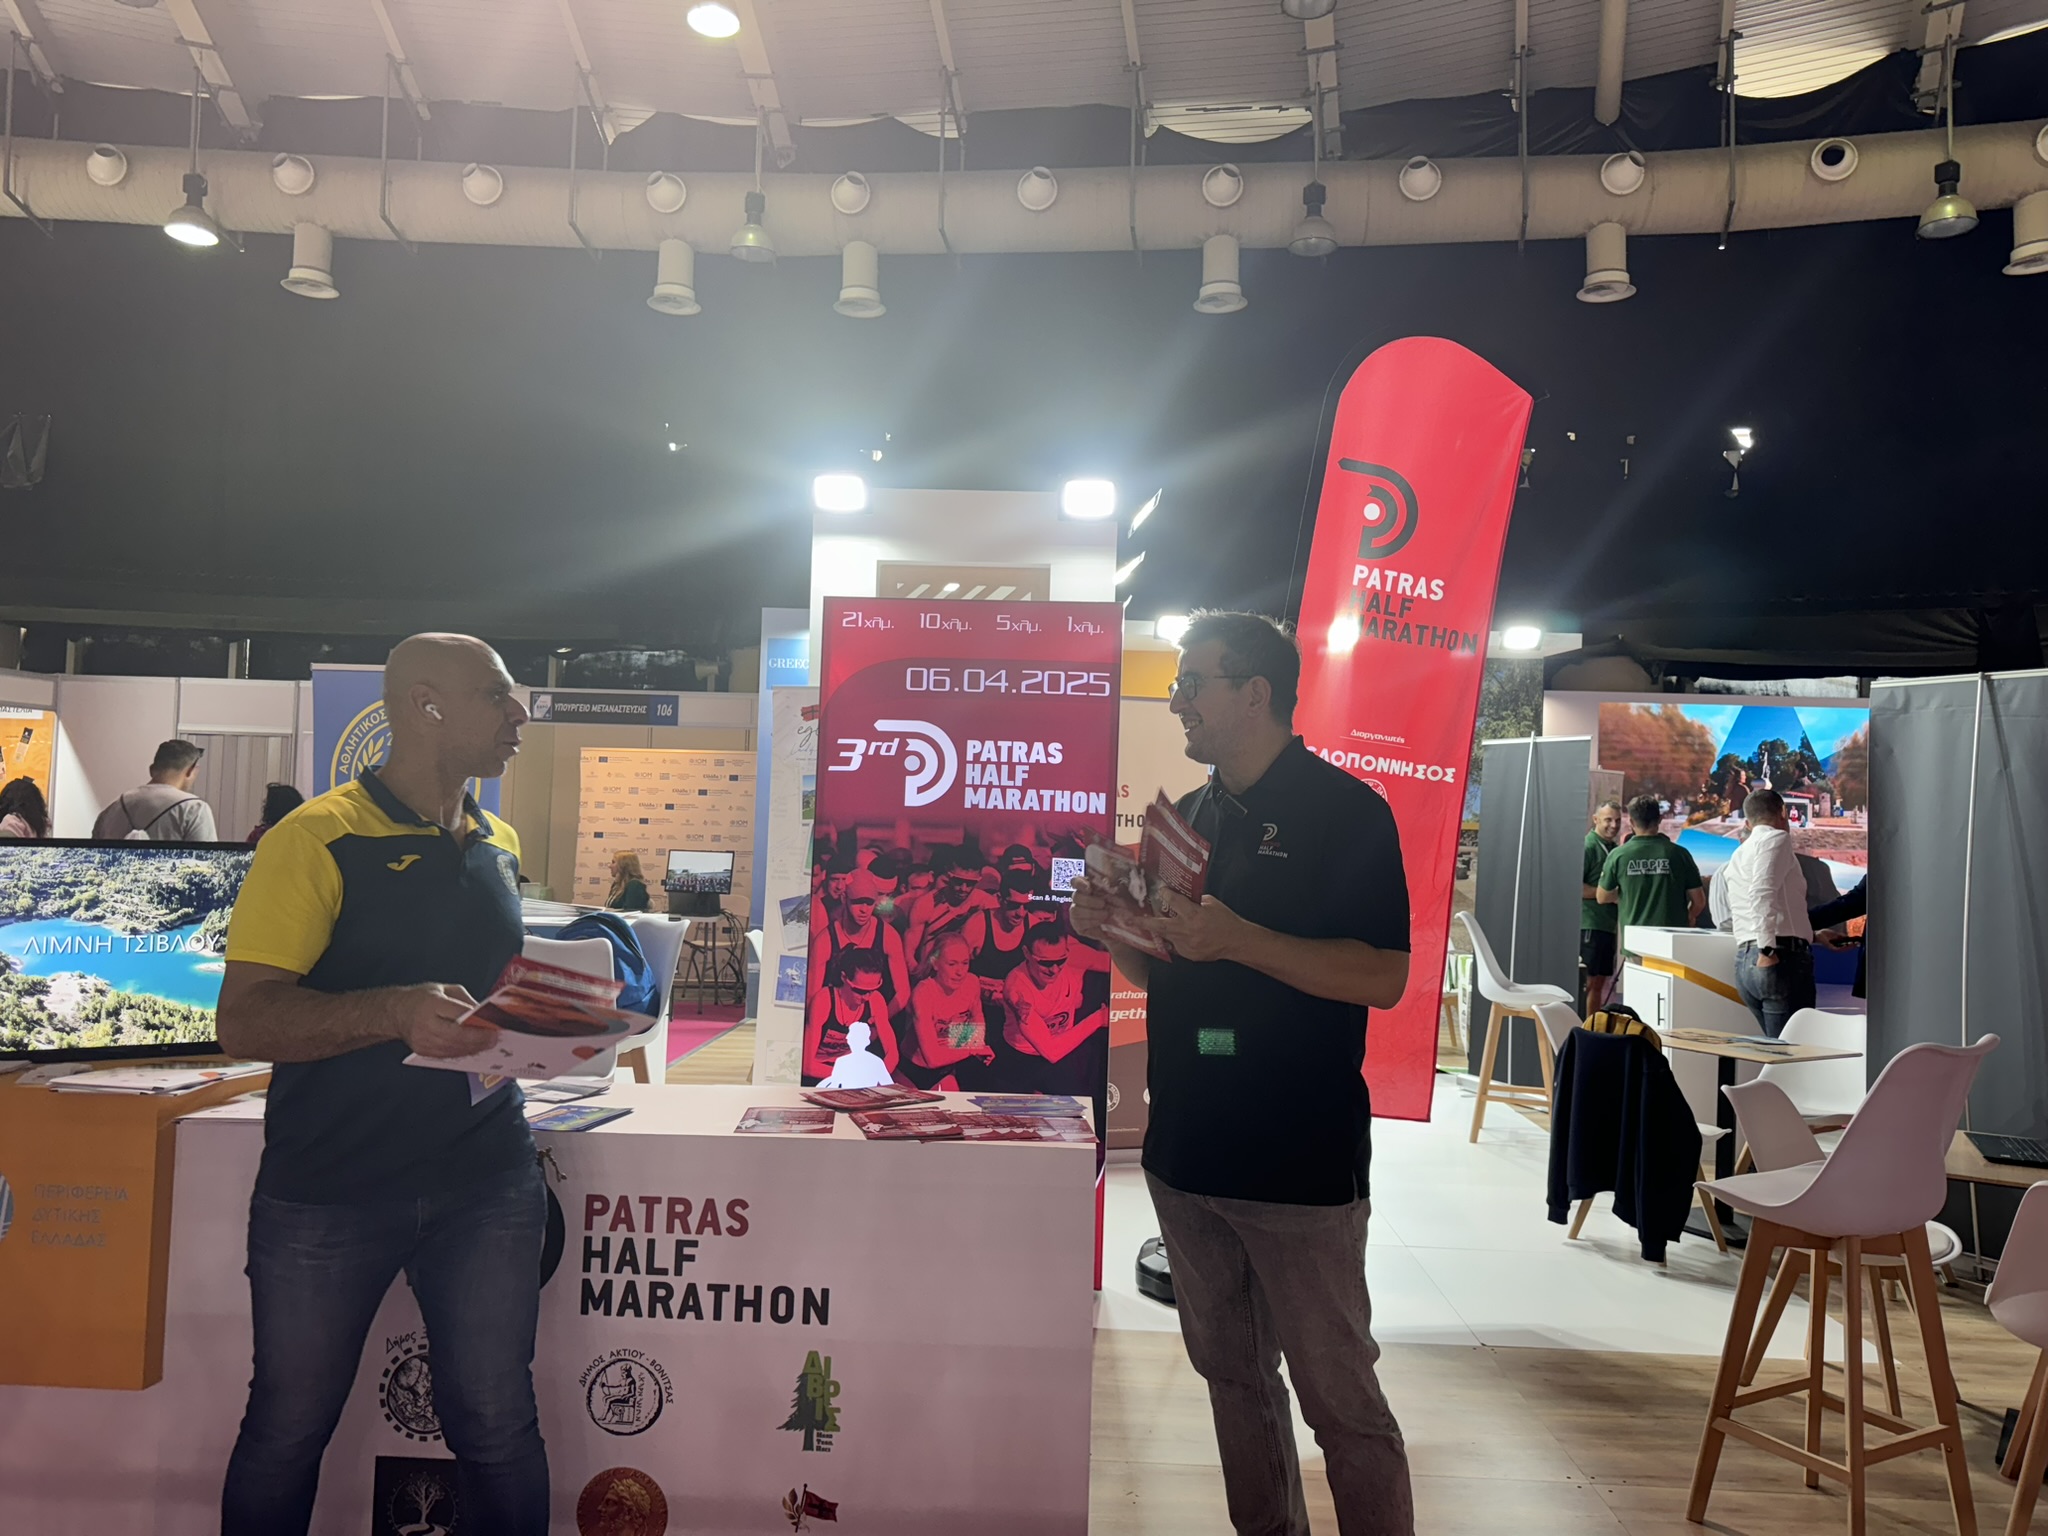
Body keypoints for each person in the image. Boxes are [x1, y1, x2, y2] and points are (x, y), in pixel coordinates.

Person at [1071, 610, 1415, 1536]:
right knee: (1233, 1382)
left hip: (1298, 1163)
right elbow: (1168, 968)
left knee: (1342, 1405)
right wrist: (1114, 931)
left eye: (1193, 683)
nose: (1177, 701)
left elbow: (1384, 977)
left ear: (1254, 692)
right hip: (1186, 1154)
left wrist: (1240, 939)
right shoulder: (1187, 816)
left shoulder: (1348, 812)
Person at [212, 633, 545, 1536]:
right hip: (329, 1187)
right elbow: (244, 1019)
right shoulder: (315, 839)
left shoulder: (498, 840)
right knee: (287, 1431)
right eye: (498, 695)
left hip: (488, 1181)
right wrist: (392, 1010)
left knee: (500, 1427)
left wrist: (559, 1025)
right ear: (426, 704)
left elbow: (491, 997)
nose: (521, 715)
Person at [1720, 787, 1816, 1037]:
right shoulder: (1776, 838)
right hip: (1777, 957)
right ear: (1783, 812)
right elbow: (1761, 892)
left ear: (1747, 822)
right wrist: (1766, 949)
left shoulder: (1738, 855)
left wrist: (1813, 932)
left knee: (1779, 1048)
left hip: (1746, 960)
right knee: (1792, 1050)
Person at [1000, 920, 1109, 1097]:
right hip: (1022, 1057)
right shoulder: (1017, 989)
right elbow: (1051, 1051)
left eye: (1061, 961)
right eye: (1045, 963)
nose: (1054, 970)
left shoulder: (1077, 956)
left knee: (1078, 1104)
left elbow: (1118, 965)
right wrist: (1099, 1019)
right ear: (1026, 953)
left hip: (1065, 1048)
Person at [1597, 796, 1705, 939]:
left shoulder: (1618, 855)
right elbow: (1699, 901)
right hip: (1671, 942)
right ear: (1660, 819)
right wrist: (1689, 916)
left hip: (1634, 941)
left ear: (1631, 822)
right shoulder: (1680, 854)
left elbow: (1602, 896)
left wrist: (1628, 891)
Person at [902, 932, 996, 1090]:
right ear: (935, 963)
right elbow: (932, 1059)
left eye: (965, 963)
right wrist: (973, 1049)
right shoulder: (924, 992)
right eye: (952, 964)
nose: (960, 972)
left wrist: (975, 1046)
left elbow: (977, 1019)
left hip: (949, 1067)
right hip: (913, 1070)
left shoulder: (971, 983)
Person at [817, 869, 911, 1016]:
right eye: (857, 902)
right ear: (844, 898)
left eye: (869, 903)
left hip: (876, 1015)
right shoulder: (826, 939)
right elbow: (813, 995)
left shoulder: (888, 936)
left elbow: (903, 992)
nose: (864, 910)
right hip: (835, 1017)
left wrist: (879, 1021)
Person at [803, 947, 900, 1083]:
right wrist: (850, 1075)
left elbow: (892, 1054)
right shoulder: (824, 1000)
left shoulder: (876, 1001)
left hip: (849, 1069)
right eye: (860, 991)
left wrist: (878, 1075)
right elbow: (806, 1065)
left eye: (872, 990)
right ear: (844, 978)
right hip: (819, 1071)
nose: (866, 997)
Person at [91, 739, 218, 842]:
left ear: (151, 770)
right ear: (190, 771)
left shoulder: (112, 809)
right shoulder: (194, 809)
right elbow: (205, 860)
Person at [1580, 799, 1624, 1013]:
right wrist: (1609, 895)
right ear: (1595, 819)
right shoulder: (1588, 846)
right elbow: (1575, 888)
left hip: (1607, 926)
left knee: (1599, 983)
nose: (1613, 825)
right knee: (1589, 983)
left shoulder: (1614, 849)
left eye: (1618, 820)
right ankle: (1585, 1027)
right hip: (1591, 925)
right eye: (1608, 820)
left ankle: (1594, 1026)